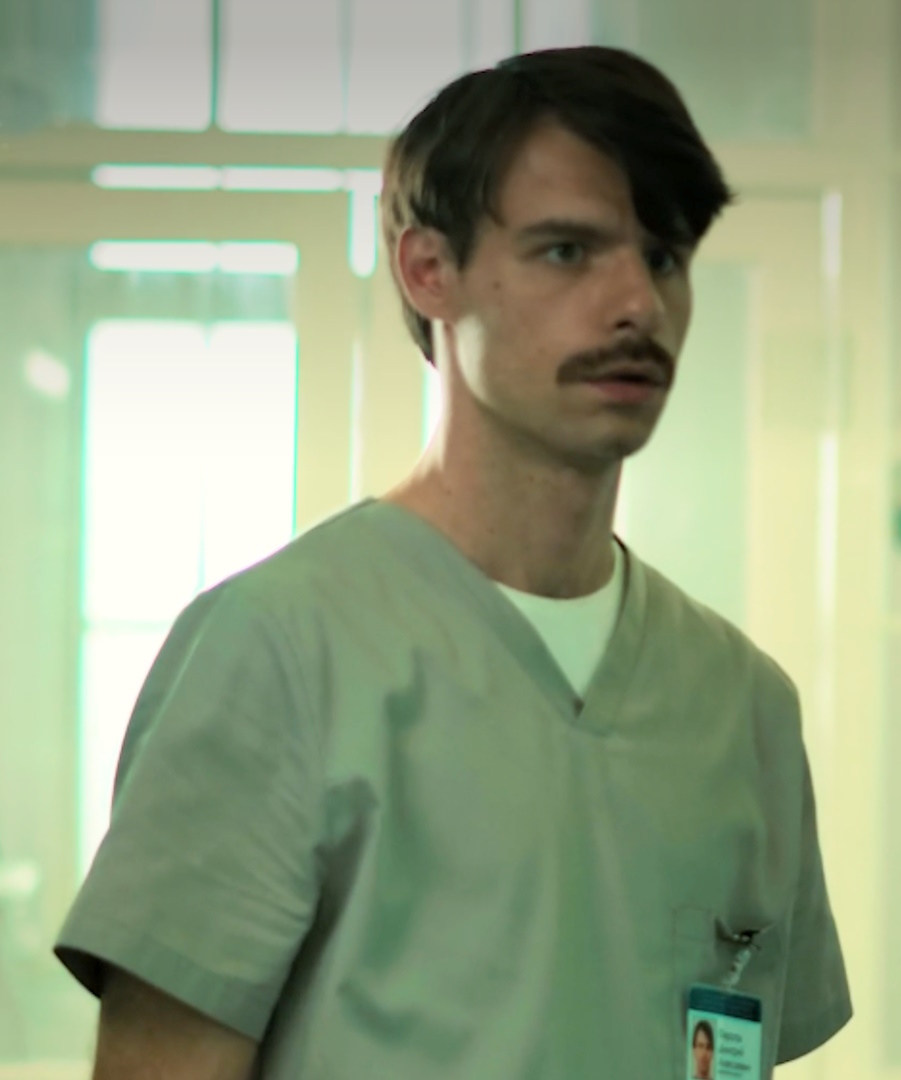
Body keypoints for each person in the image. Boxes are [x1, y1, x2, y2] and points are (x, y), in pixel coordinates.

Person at [53, 46, 851, 1078]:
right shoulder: (280, 653)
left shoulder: (743, 707)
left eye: (663, 257)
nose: (637, 306)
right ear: (429, 270)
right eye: (568, 250)